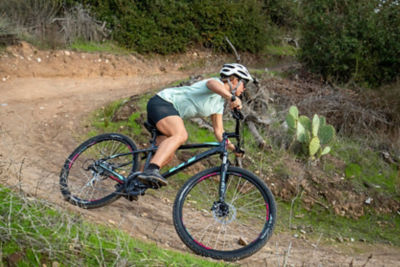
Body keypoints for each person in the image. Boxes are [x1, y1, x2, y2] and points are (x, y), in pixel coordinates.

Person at [137, 63, 253, 187]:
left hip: (169, 112)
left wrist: (233, 148)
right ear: (234, 80)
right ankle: (151, 170)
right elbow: (211, 84)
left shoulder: (218, 104)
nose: (244, 88)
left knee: (166, 156)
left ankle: (133, 181)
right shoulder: (214, 83)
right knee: (180, 135)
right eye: (244, 83)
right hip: (163, 102)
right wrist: (232, 98)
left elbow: (219, 132)